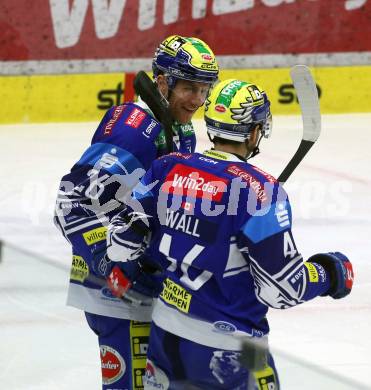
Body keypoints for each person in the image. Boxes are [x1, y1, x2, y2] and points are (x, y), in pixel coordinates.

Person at [104, 79, 354, 389]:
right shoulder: (260, 191)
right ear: (253, 132)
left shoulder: (167, 167)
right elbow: (282, 289)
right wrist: (330, 272)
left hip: (165, 336)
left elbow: (119, 246)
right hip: (235, 348)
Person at [54, 35, 219, 390]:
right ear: (162, 81)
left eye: (204, 89)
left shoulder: (181, 128)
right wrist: (105, 259)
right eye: (189, 87)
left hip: (150, 282)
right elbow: (70, 201)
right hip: (115, 289)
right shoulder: (136, 127)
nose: (198, 99)